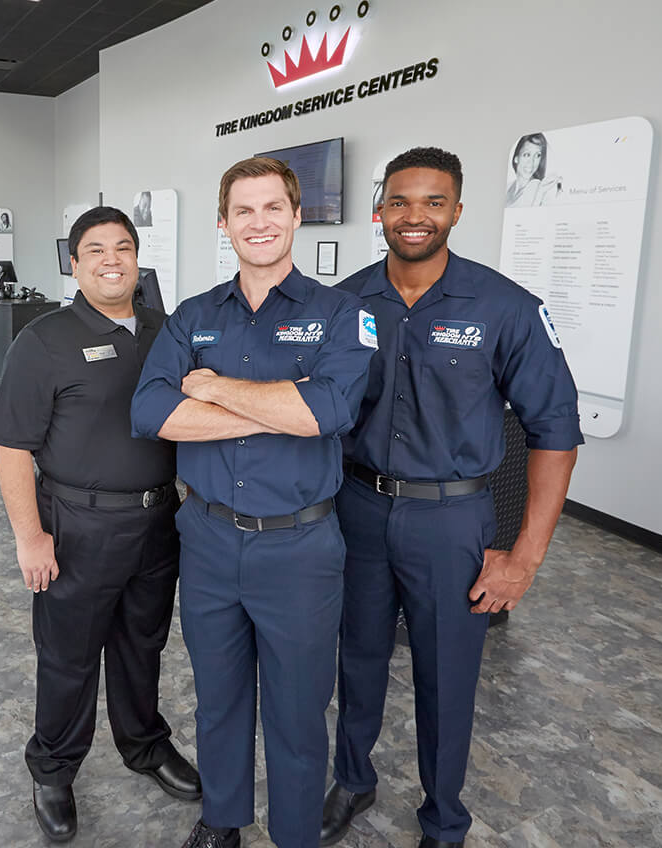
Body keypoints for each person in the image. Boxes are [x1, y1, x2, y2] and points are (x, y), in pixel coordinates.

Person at [320, 147, 582, 848]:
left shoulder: (506, 308)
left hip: (451, 518)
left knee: (447, 674)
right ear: (379, 211)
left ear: (457, 212)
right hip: (359, 508)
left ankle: (443, 817)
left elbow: (556, 434)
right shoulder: (344, 303)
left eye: (433, 202)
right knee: (357, 656)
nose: (415, 216)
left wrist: (524, 558)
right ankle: (352, 778)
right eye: (400, 201)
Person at [132, 157, 376, 848]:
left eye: (273, 208)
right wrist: (278, 410)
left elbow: (328, 410)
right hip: (207, 540)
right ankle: (222, 821)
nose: (259, 222)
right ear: (224, 222)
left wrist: (210, 387)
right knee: (218, 698)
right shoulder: (194, 316)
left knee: (297, 713)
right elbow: (151, 411)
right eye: (244, 210)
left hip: (300, 548)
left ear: (298, 215)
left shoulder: (342, 314)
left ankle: (295, 835)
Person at [0, 205, 201, 843]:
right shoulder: (44, 340)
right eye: (96, 250)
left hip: (158, 523)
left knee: (143, 645)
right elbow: (12, 446)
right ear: (74, 265)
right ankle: (53, 769)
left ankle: (144, 745)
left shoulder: (165, 330)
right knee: (68, 657)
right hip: (78, 526)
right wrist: (30, 537)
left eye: (123, 248)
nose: (112, 260)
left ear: (138, 258)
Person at [503, 133, 560, 207]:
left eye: (537, 155)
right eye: (527, 155)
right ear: (516, 158)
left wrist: (539, 194)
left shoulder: (536, 187)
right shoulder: (508, 186)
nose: (531, 162)